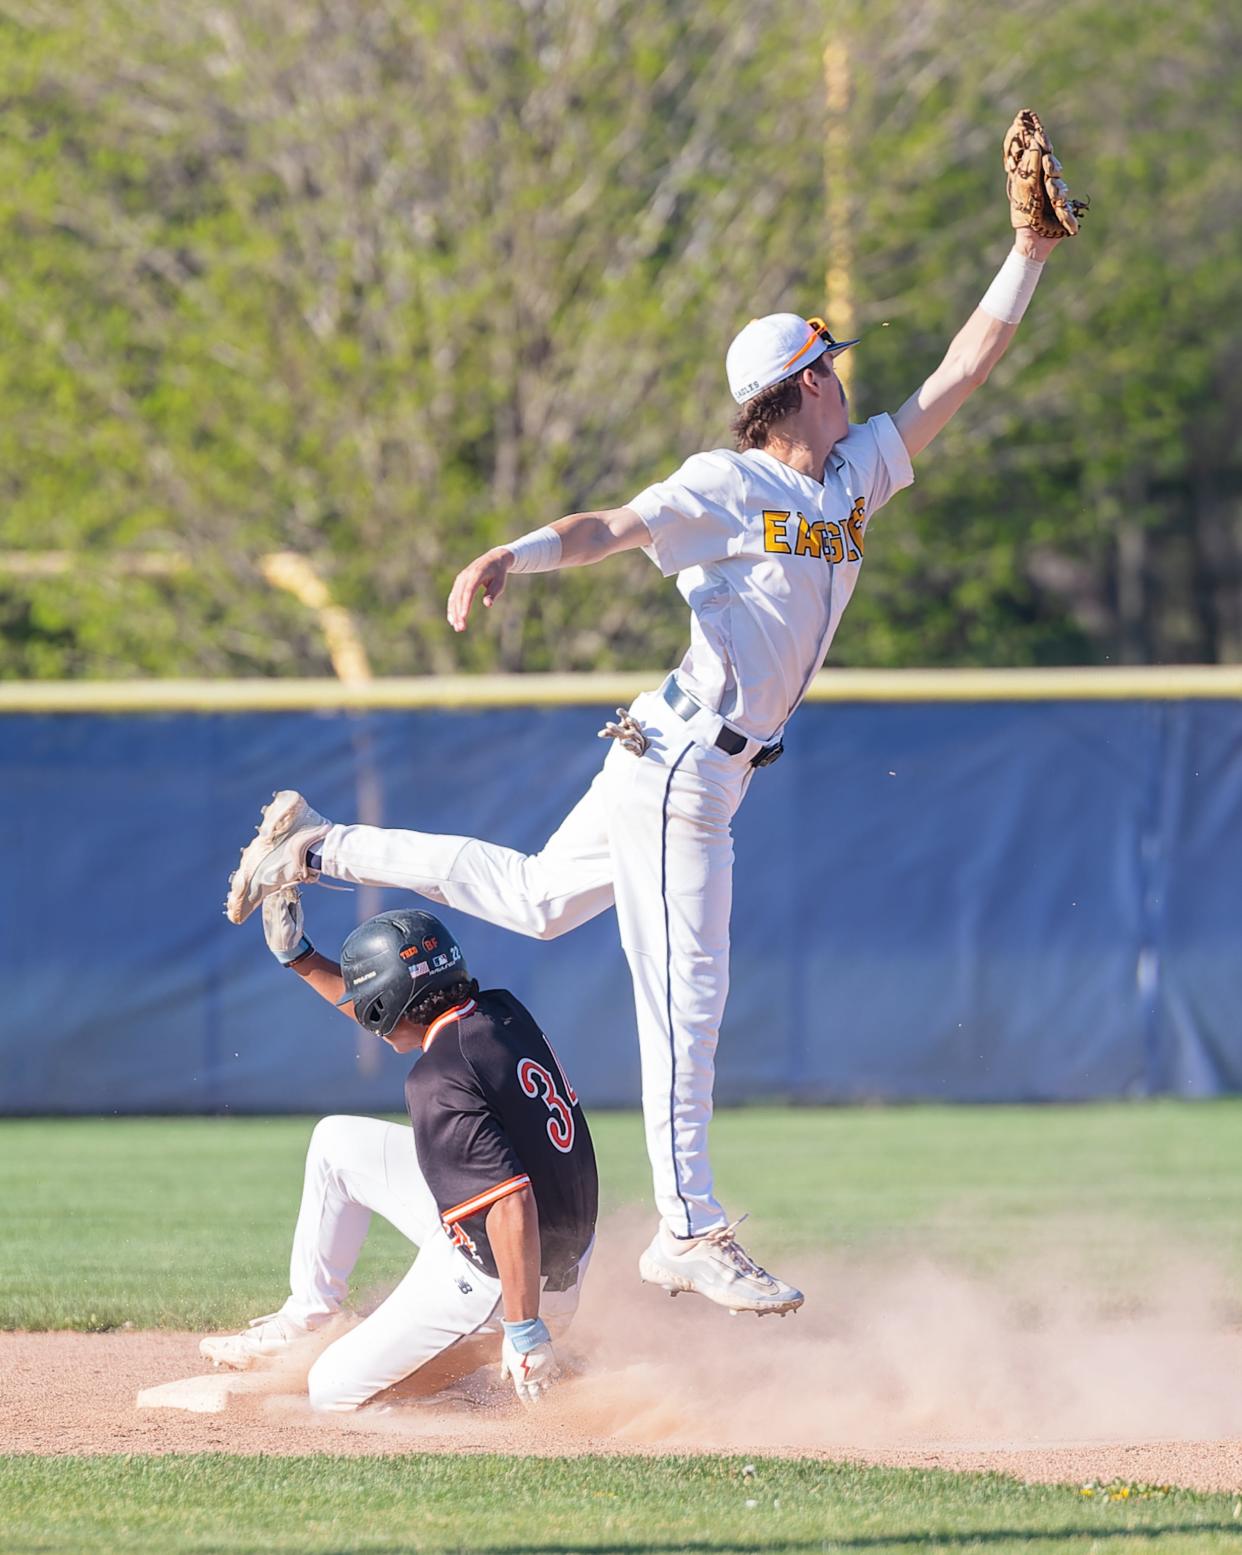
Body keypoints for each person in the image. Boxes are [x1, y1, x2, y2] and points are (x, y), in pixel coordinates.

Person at [224, 133, 1070, 1317]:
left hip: (684, 760)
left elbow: (962, 373)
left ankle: (316, 845)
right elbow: (607, 526)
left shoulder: (853, 476)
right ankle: (689, 1228)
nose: (847, 381)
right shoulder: (730, 486)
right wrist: (507, 556)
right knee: (690, 995)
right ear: (806, 385)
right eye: (831, 368)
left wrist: (1026, 254)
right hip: (682, 768)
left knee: (530, 897)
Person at [201, 888, 597, 1409]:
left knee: (334, 1393)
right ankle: (307, 1317)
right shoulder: (499, 1012)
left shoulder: (437, 1081)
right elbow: (398, 1006)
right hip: (552, 1246)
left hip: (508, 1277)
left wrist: (524, 1329)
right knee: (336, 1143)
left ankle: (470, 1388)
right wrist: (299, 958)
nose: (363, 1012)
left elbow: (509, 1203)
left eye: (369, 1002)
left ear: (389, 1003)